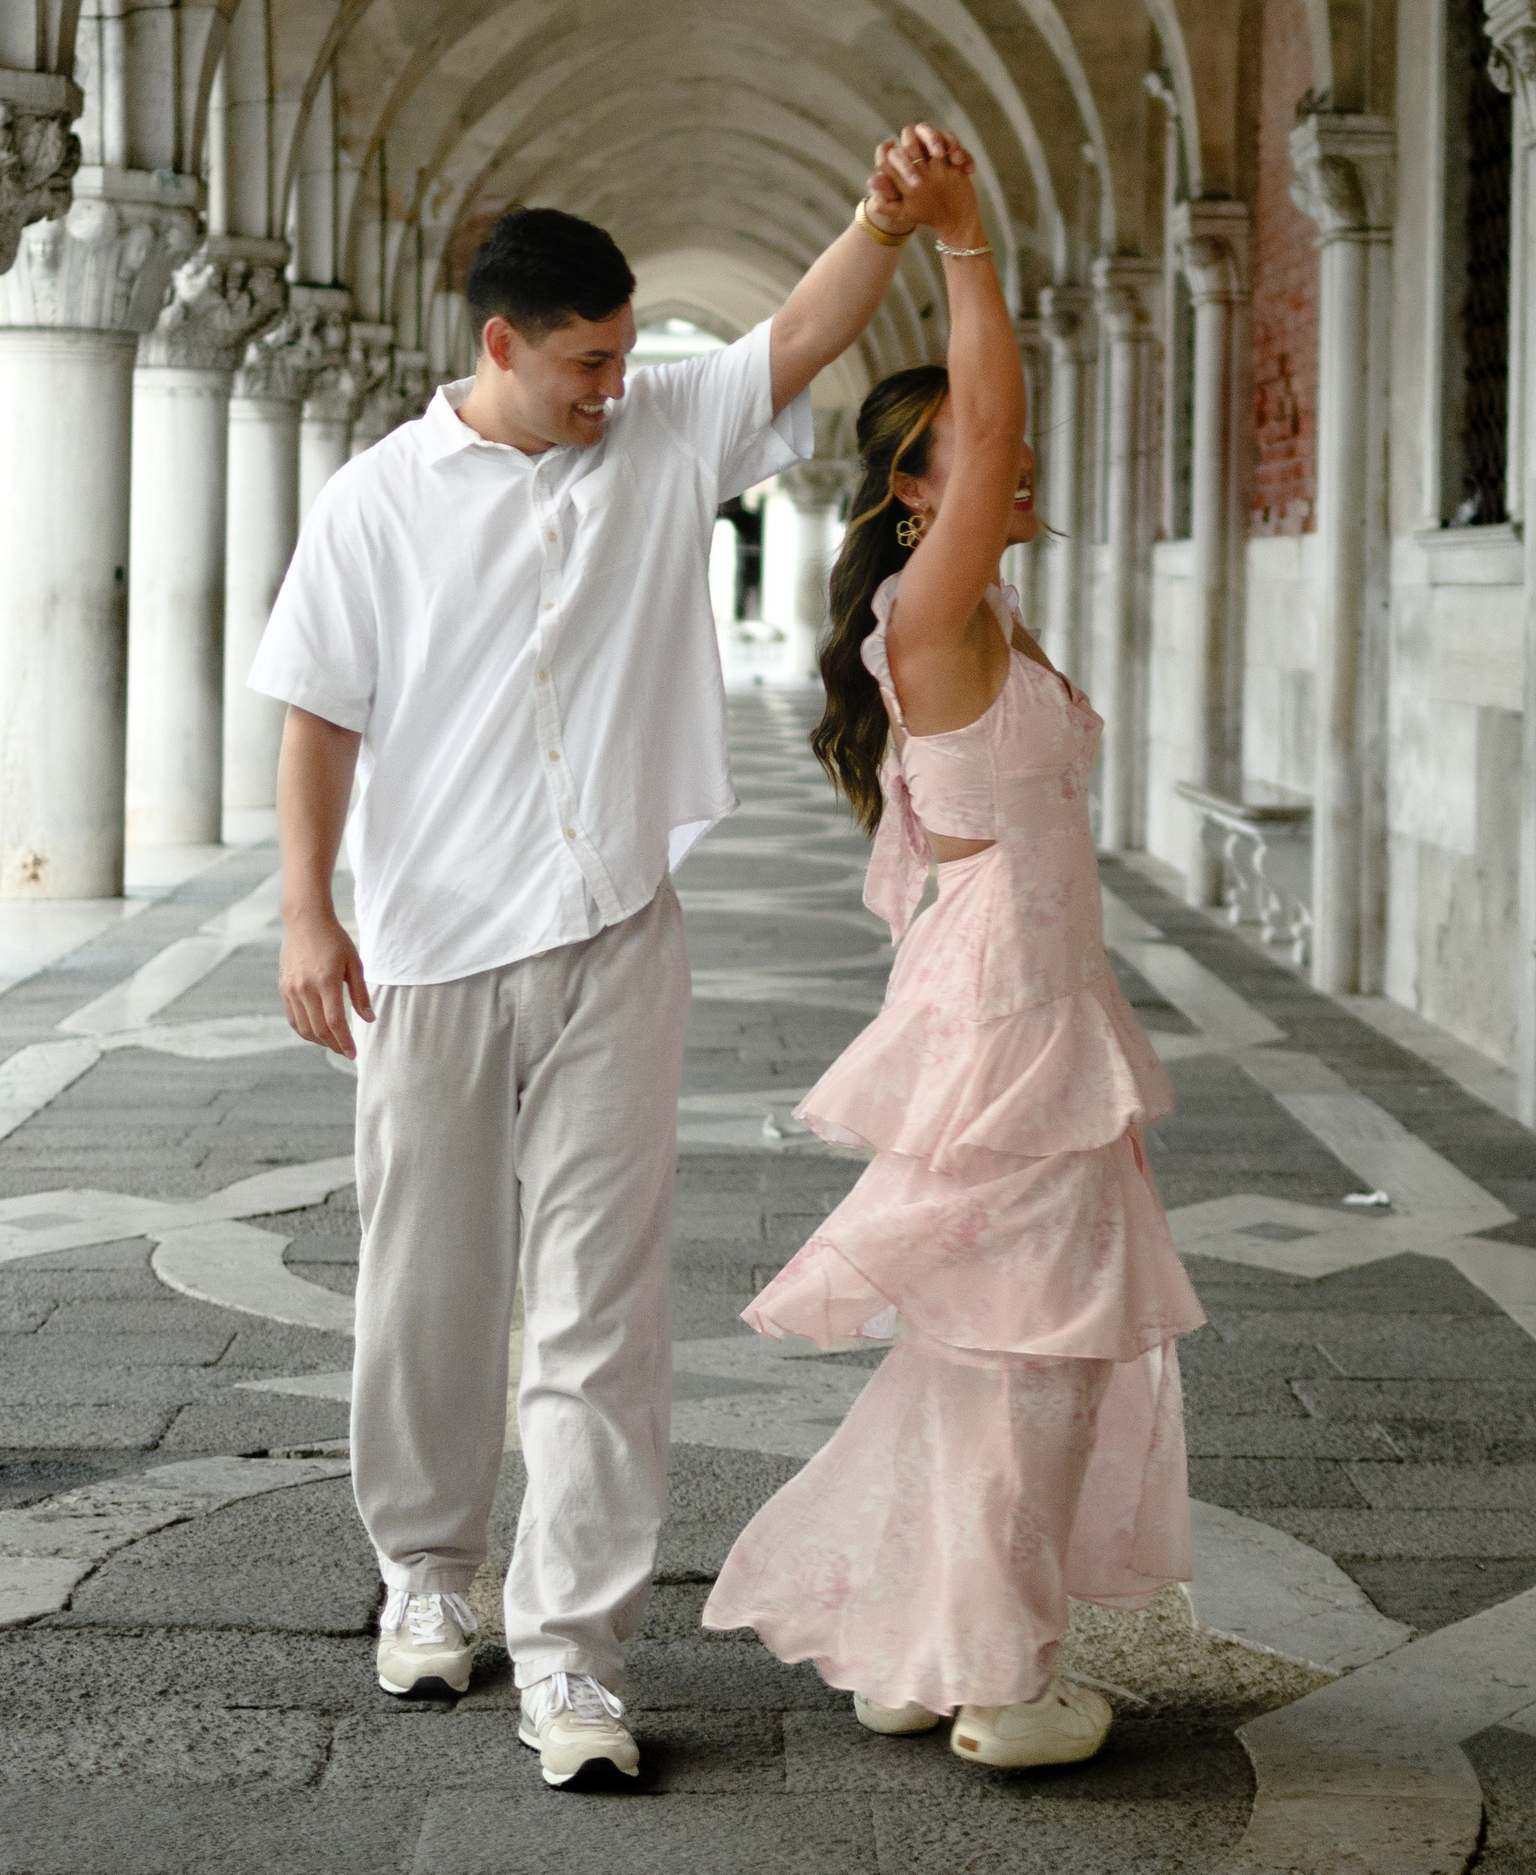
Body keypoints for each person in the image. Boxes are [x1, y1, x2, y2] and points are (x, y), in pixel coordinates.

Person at [254, 134, 964, 1791]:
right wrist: (305, 912)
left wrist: (885, 217)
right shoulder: (375, 501)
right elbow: (318, 717)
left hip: (618, 934)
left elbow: (800, 333)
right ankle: (429, 1571)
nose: (613, 386)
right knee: (426, 1280)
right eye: (585, 361)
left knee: (602, 1305)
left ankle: (576, 1652)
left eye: (626, 356)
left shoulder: (659, 434)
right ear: (499, 344)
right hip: (430, 946)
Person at [704, 145, 1204, 1767]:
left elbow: (991, 437)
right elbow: (990, 426)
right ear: (915, 494)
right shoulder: (934, 614)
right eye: (977, 461)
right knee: (1038, 1353)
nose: (1015, 465)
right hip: (1012, 1017)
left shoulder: (978, 618)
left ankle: (920, 1648)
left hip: (1031, 994)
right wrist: (968, 244)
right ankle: (1001, 1679)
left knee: (992, 1347)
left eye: (1003, 459)